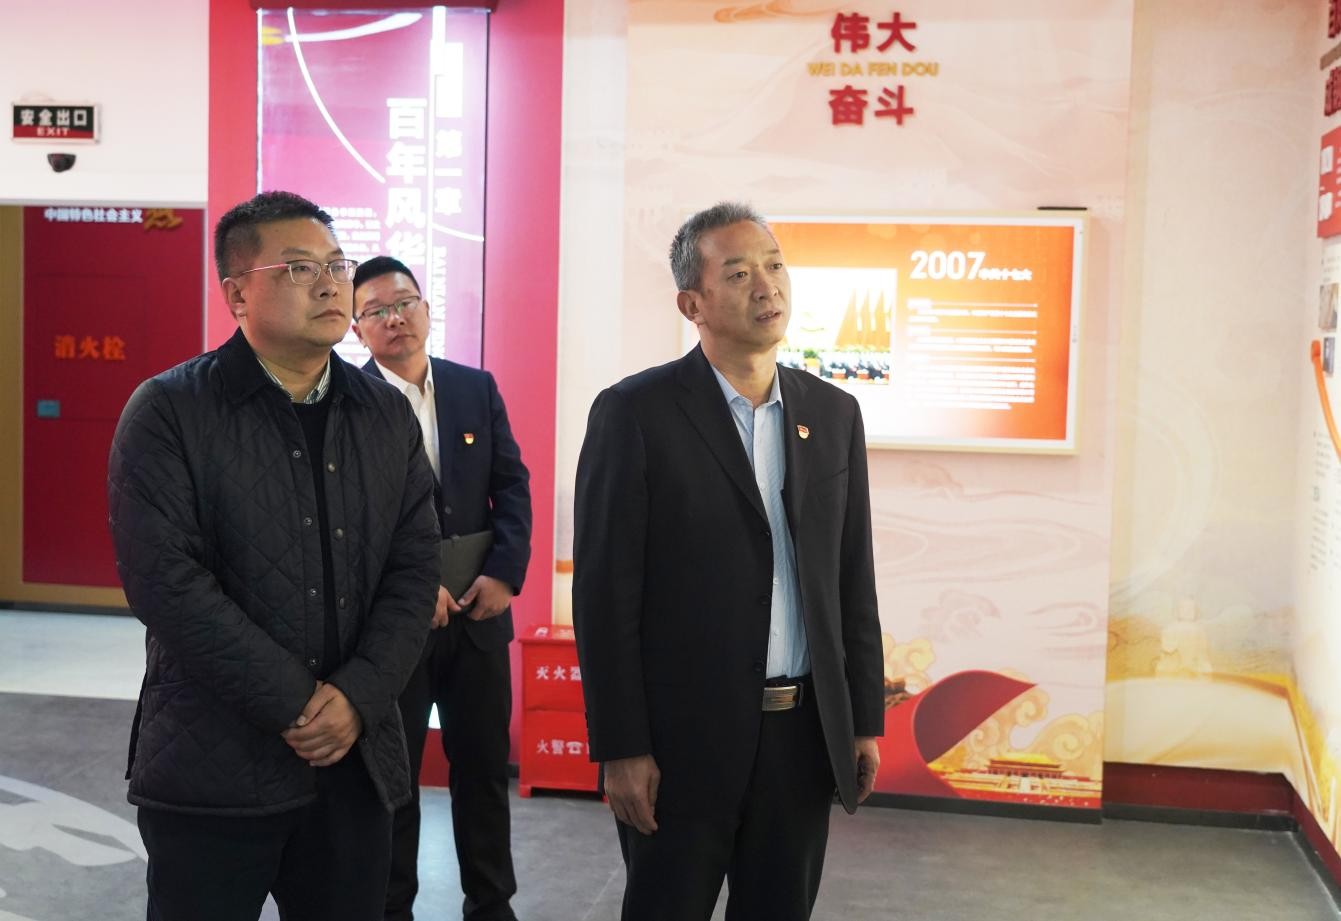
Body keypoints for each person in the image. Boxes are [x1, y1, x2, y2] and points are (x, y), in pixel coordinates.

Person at [107, 191, 441, 921]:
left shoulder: (384, 413)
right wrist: (297, 703)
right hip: (213, 766)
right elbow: (165, 583)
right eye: (298, 268)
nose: (329, 284)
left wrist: (356, 697)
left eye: (336, 265)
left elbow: (415, 568)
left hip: (352, 767)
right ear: (237, 295)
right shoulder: (170, 410)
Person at [572, 202, 885, 921]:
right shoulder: (635, 413)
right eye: (739, 273)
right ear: (693, 303)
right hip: (681, 741)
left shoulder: (832, 413)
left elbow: (851, 578)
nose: (766, 285)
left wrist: (860, 717)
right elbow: (605, 595)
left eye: (774, 265)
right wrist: (621, 746)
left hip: (801, 737)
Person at [351, 256, 532, 921]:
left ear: (426, 309)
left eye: (404, 302)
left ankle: (491, 904)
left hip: (479, 615)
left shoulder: (472, 387)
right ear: (356, 328)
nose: (394, 317)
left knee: (482, 770)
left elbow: (511, 486)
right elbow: (349, 520)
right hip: (394, 628)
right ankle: (391, 906)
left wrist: (504, 574)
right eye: (376, 310)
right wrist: (411, 588)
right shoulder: (347, 400)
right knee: (393, 777)